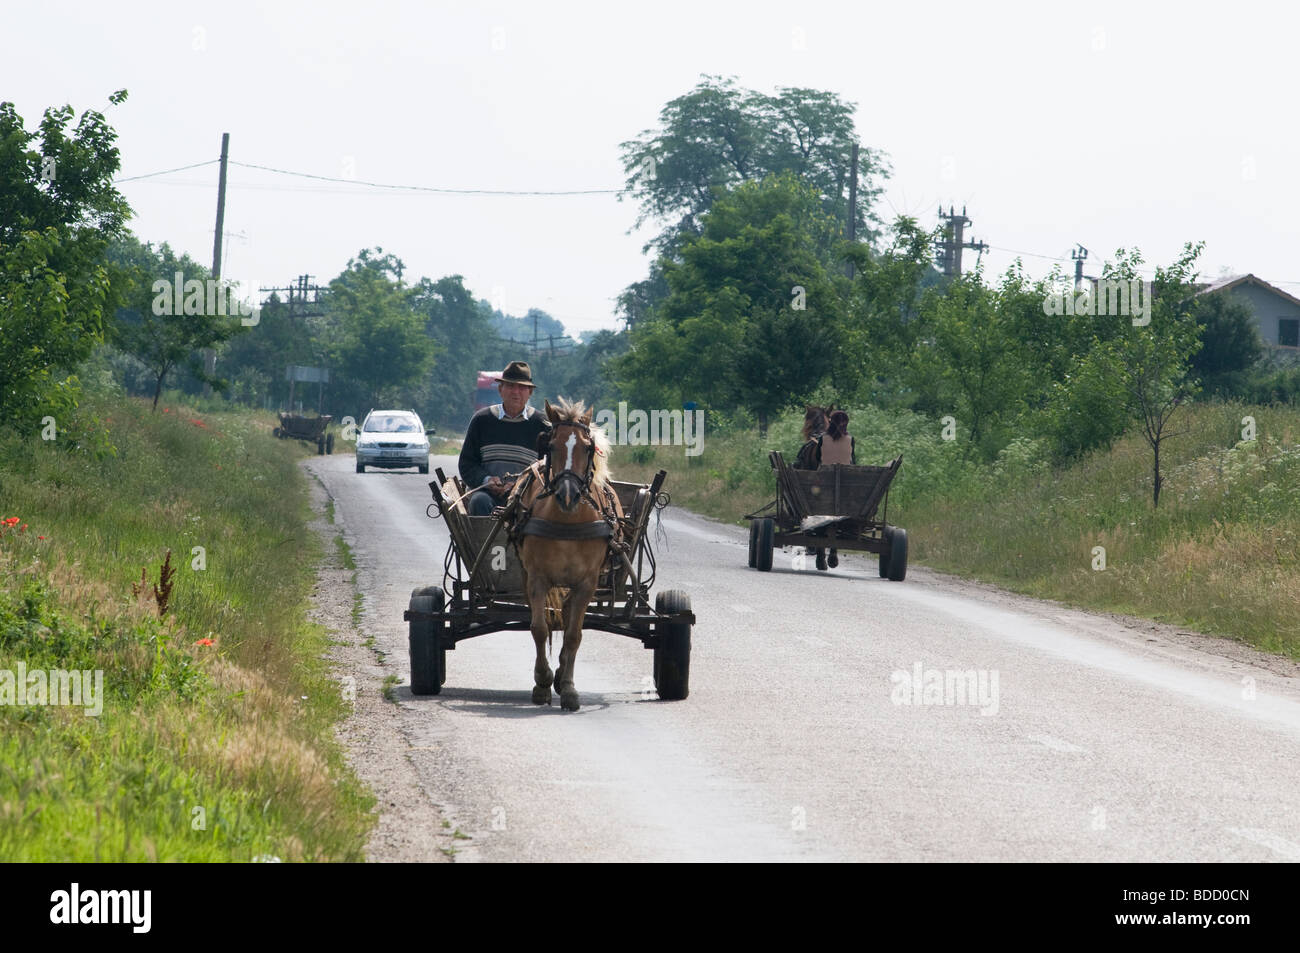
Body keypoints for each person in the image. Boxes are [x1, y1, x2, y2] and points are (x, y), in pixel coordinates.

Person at [459, 361, 547, 516]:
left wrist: (519, 486)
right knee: (479, 501)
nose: (516, 392)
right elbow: (467, 464)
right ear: (501, 389)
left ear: (530, 392)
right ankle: (487, 541)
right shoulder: (482, 420)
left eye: (521, 387)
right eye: (511, 386)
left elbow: (548, 468)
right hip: (488, 495)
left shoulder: (542, 425)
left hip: (526, 498)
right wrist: (487, 480)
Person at [812, 409, 856, 571]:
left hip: (823, 483)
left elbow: (817, 458)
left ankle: (820, 552)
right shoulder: (851, 439)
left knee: (818, 510)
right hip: (844, 487)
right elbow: (853, 460)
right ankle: (833, 550)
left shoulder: (822, 439)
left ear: (830, 422)